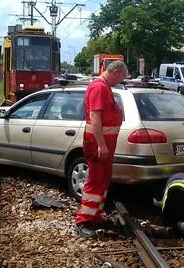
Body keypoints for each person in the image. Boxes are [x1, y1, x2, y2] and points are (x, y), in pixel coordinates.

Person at [75, 60, 128, 237]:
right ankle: (84, 221)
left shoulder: (104, 86)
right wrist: (101, 145)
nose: (121, 81)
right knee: (96, 180)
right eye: (122, 77)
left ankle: (95, 216)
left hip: (104, 144)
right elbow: (95, 117)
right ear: (116, 72)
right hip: (99, 144)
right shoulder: (99, 87)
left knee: (103, 179)